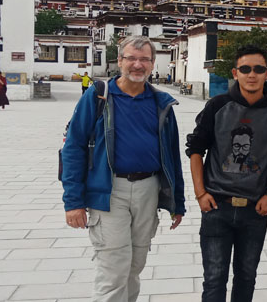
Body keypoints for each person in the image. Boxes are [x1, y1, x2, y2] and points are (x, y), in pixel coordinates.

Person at [61, 35, 186, 302]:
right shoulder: (97, 96)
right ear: (119, 61)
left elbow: (172, 156)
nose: (138, 65)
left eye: (144, 59)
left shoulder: (162, 103)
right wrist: (73, 201)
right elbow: (73, 148)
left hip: (148, 190)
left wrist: (178, 202)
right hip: (109, 191)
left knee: (134, 266)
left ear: (153, 64)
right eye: (131, 58)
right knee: (113, 270)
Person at [186, 44, 267, 302]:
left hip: (254, 210)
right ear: (235, 73)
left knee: (247, 278)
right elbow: (195, 149)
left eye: (258, 69)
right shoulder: (217, 105)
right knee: (214, 279)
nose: (252, 74)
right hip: (217, 207)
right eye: (245, 69)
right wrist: (200, 192)